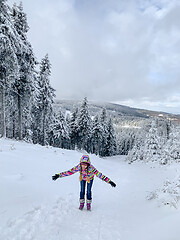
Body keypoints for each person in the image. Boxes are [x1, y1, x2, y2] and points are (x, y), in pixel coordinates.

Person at [52, 154, 116, 211]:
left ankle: (88, 204)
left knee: (88, 191)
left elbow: (100, 175)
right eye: (82, 164)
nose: (83, 166)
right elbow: (69, 172)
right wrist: (59, 175)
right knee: (82, 191)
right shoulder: (79, 167)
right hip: (82, 178)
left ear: (88, 164)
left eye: (85, 164)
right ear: (81, 163)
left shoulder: (91, 168)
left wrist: (109, 181)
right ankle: (81, 204)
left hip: (90, 179)